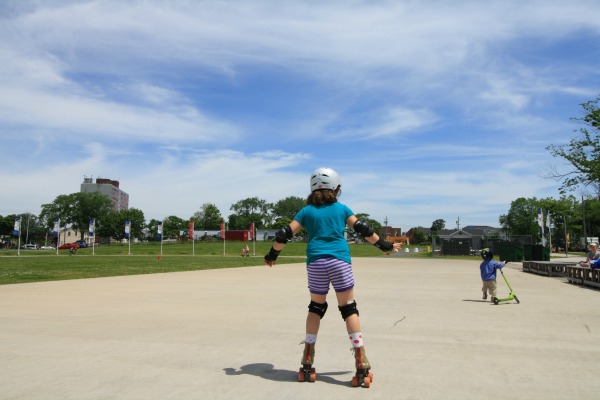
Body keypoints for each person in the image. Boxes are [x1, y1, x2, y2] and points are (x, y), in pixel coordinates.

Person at [263, 167, 401, 386]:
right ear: (336, 188)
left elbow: (284, 233)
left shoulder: (306, 211)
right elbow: (363, 228)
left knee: (315, 308)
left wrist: (272, 254)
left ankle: (308, 358)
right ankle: (360, 359)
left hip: (316, 262)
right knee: (348, 308)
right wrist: (384, 245)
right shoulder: (342, 208)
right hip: (339, 260)